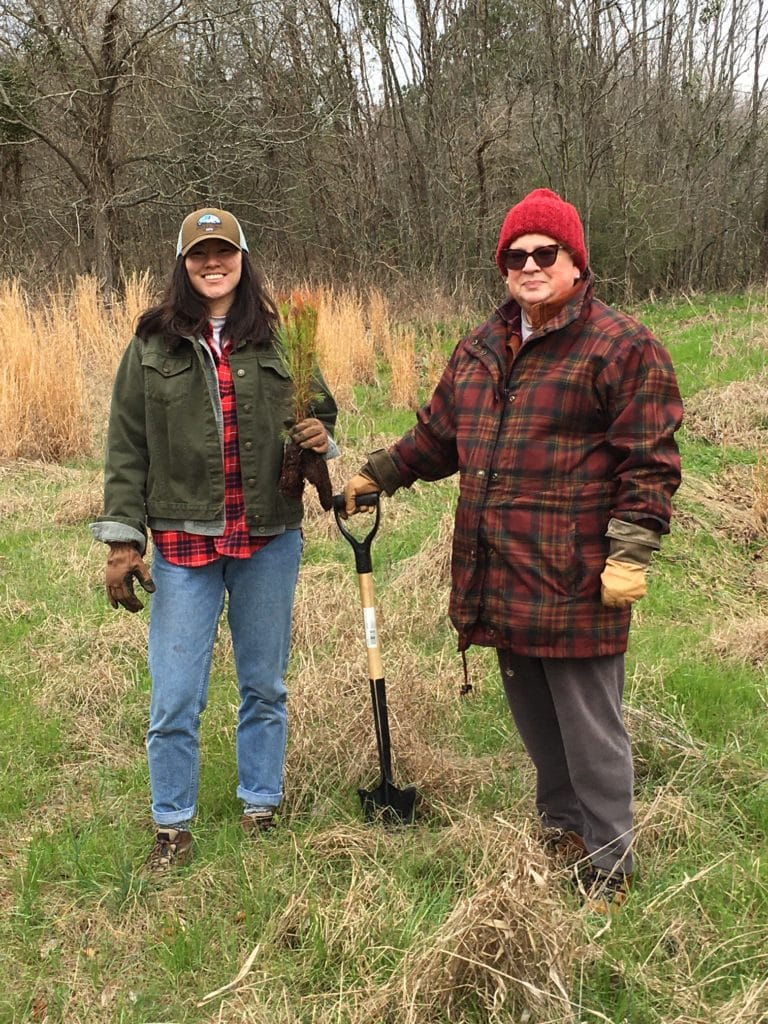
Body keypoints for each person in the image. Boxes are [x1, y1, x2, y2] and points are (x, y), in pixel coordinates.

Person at [343, 189, 683, 911]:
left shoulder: (622, 347)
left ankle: (610, 865)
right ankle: (561, 830)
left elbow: (649, 462)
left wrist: (630, 551)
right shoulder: (479, 348)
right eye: (515, 256)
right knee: (535, 719)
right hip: (501, 572)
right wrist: (379, 472)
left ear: (574, 262)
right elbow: (438, 438)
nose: (529, 266)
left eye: (544, 253)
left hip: (578, 577)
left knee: (591, 728)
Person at [91, 208, 337, 871]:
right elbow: (126, 448)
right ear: (183, 263)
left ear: (241, 258)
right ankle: (173, 825)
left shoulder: (280, 339)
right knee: (175, 695)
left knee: (264, 685)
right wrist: (122, 541)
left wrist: (321, 440)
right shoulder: (152, 346)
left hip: (268, 539)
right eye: (199, 254)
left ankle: (261, 805)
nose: (212, 263)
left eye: (223, 252)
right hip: (183, 545)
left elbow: (319, 413)